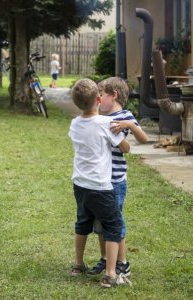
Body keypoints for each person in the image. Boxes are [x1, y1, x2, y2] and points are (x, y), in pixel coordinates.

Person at [68, 78, 131, 288]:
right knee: (113, 226)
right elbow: (125, 148)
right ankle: (111, 273)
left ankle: (78, 264)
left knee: (82, 223)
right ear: (98, 98)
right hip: (101, 187)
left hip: (79, 184)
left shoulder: (74, 123)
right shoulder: (106, 123)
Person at [86, 77, 148, 278]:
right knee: (100, 221)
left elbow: (143, 138)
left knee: (114, 221)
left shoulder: (125, 116)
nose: (98, 99)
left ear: (114, 95)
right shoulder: (99, 116)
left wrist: (129, 124)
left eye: (101, 95)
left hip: (116, 180)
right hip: (99, 178)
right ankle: (106, 258)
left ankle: (123, 263)